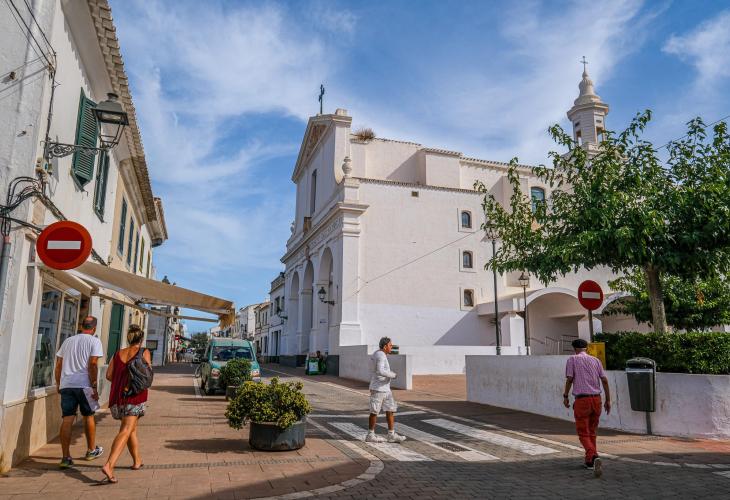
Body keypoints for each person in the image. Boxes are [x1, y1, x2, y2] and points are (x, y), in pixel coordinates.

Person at [101, 325, 151, 484]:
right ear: (141, 339)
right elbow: (147, 374)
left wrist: (120, 381)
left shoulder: (117, 354)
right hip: (134, 397)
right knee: (126, 430)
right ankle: (109, 465)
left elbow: (109, 375)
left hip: (118, 397)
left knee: (131, 429)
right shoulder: (144, 352)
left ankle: (137, 460)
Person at [55, 315, 104, 468]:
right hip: (84, 385)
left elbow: (58, 365)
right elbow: (93, 364)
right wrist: (94, 385)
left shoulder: (68, 341)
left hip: (67, 384)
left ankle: (65, 457)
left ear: (82, 326)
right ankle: (91, 450)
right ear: (94, 328)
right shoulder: (94, 341)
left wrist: (58, 383)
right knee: (88, 416)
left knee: (67, 419)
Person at [563, 338, 611, 477]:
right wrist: (608, 400)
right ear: (587, 348)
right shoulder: (596, 360)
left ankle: (594, 456)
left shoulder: (572, 359)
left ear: (574, 349)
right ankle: (589, 461)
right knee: (592, 431)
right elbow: (604, 380)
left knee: (583, 432)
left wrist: (565, 395)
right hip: (597, 399)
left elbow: (570, 379)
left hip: (582, 400)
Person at [365, 337, 406, 443]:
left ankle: (391, 435)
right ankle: (370, 435)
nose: (391, 347)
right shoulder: (380, 355)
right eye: (390, 345)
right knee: (374, 411)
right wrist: (393, 375)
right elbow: (380, 371)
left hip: (386, 389)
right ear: (385, 346)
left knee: (390, 409)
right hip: (378, 389)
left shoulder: (379, 354)